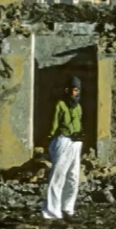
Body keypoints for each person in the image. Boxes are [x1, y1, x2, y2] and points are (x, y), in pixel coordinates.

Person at [41, 76, 84, 221]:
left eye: (77, 90)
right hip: (63, 140)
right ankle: (52, 212)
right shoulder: (60, 104)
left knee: (73, 177)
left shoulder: (78, 106)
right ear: (67, 90)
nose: (75, 92)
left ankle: (68, 209)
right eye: (73, 89)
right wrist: (49, 138)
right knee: (58, 176)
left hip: (76, 142)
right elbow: (53, 122)